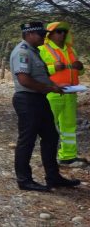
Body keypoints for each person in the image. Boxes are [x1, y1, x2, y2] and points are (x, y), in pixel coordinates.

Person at [9, 22, 81, 191]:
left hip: (39, 99)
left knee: (51, 137)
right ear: (30, 34)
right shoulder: (23, 52)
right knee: (27, 141)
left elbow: (41, 75)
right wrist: (50, 88)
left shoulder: (35, 52)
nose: (44, 37)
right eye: (41, 34)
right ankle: (24, 180)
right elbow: (24, 80)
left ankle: (53, 176)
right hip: (27, 100)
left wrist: (56, 85)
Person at [38, 21, 87, 166]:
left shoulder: (71, 50)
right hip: (52, 93)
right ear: (50, 34)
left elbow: (80, 72)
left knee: (69, 126)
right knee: (48, 126)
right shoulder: (42, 49)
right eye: (58, 31)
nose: (62, 34)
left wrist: (81, 68)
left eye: (64, 31)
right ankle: (48, 158)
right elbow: (37, 72)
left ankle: (68, 156)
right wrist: (54, 68)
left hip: (71, 93)